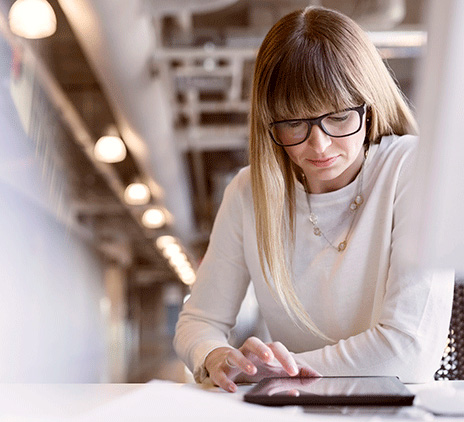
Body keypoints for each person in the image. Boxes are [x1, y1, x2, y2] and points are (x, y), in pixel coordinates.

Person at [174, 6, 454, 393]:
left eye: (338, 117)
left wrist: (274, 370)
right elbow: (198, 322)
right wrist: (215, 356)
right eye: (293, 123)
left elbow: (408, 351)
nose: (318, 145)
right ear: (269, 123)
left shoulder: (413, 167)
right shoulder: (247, 194)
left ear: (368, 107)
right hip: (301, 408)